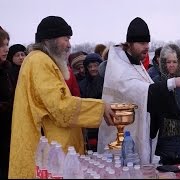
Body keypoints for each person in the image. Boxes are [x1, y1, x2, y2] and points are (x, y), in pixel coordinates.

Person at [8, 16, 115, 178]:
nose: (69, 45)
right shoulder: (39, 62)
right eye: (66, 39)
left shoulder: (42, 60)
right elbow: (60, 107)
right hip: (46, 156)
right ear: (49, 40)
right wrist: (100, 107)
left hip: (50, 152)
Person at [97, 17, 180, 164]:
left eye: (147, 43)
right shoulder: (119, 67)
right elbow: (140, 90)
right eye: (142, 43)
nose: (147, 47)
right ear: (129, 44)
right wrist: (174, 82)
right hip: (119, 137)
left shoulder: (134, 63)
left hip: (135, 131)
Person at [150, 44, 180, 165]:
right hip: (165, 139)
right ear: (163, 63)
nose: (171, 65)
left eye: (174, 62)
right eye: (168, 62)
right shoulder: (158, 82)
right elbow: (153, 111)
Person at [0, 27, 13, 179]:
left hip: (6, 134)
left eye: (7, 44)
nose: (6, 49)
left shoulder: (6, 70)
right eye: (2, 45)